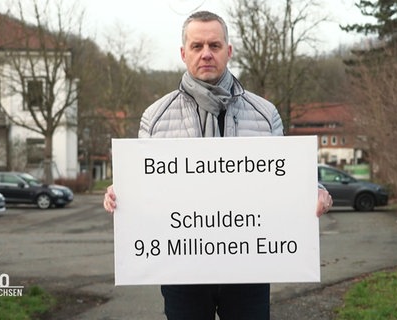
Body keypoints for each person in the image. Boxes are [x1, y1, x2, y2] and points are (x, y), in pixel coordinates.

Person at [103, 10, 333, 320]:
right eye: (197, 46)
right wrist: (120, 195)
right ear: (184, 54)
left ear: (229, 51)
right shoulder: (155, 117)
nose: (206, 54)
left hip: (249, 267)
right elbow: (144, 186)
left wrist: (317, 191)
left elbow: (288, 176)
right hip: (181, 269)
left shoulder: (265, 115)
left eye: (214, 45)